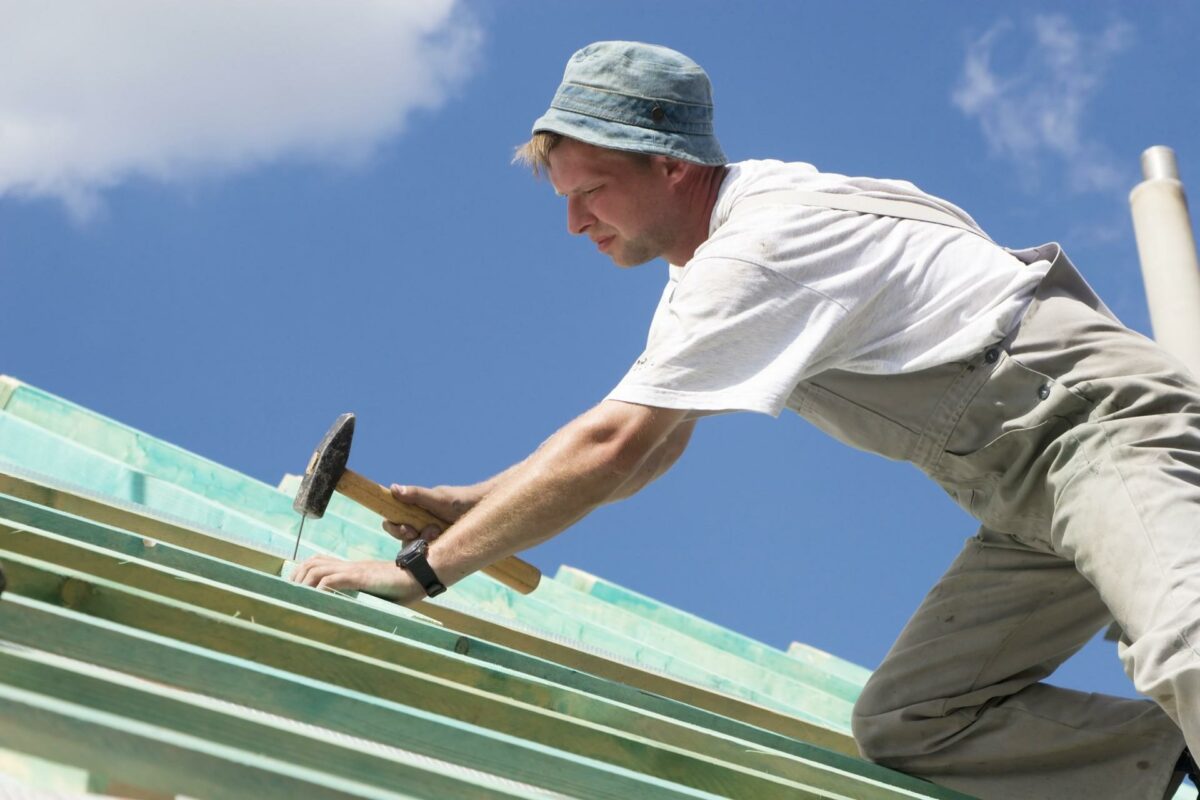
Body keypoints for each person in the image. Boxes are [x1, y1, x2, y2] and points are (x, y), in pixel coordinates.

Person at [293, 41, 1200, 799]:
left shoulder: (755, 249)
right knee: (913, 721)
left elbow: (614, 447)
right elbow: (652, 445)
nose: (573, 223)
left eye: (593, 190)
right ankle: (1174, 769)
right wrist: (476, 504)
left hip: (1093, 426)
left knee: (1185, 640)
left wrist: (422, 570)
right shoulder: (712, 264)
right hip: (1025, 492)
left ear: (671, 164)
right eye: (564, 196)